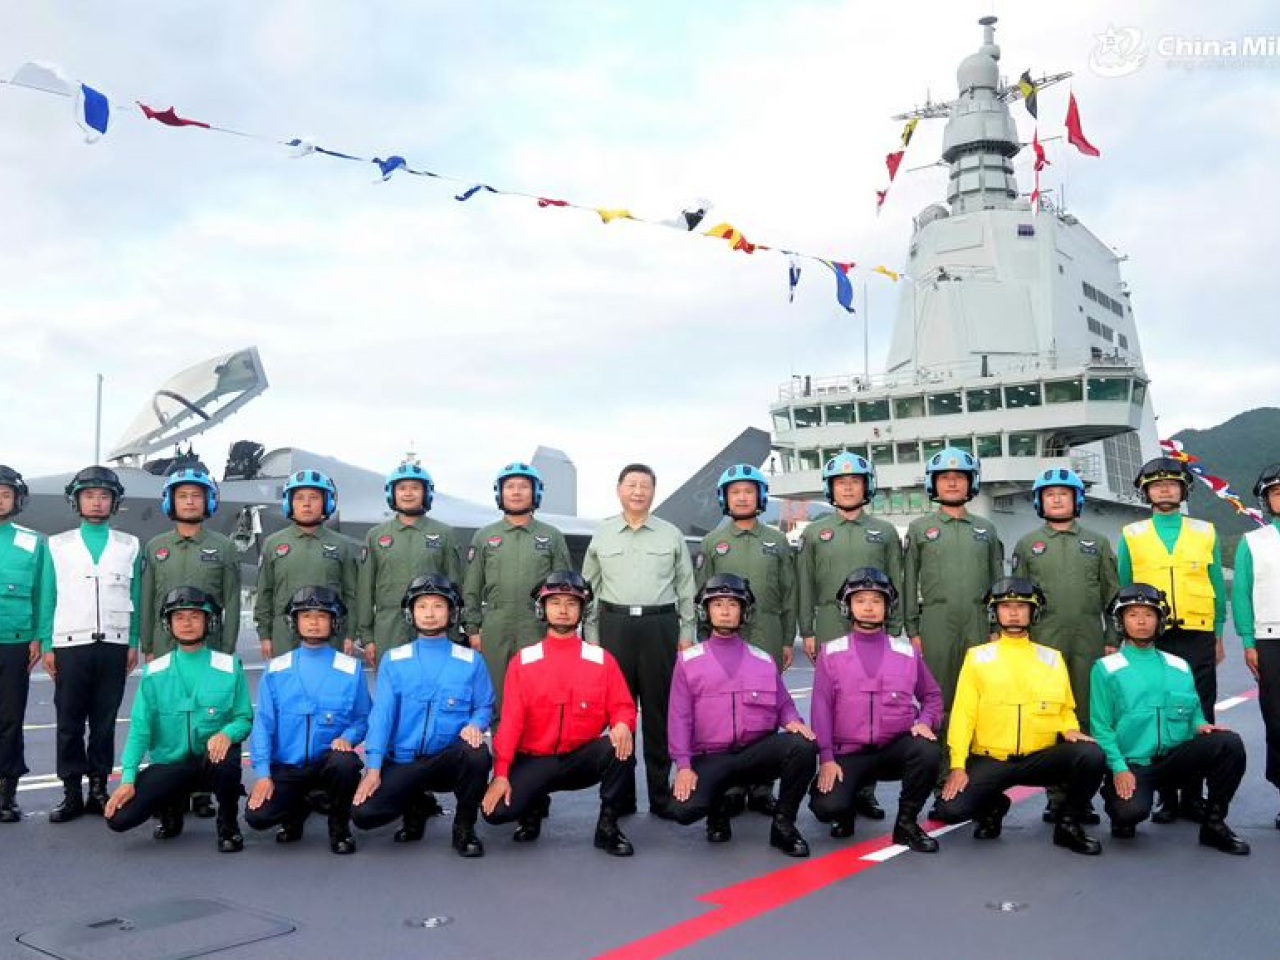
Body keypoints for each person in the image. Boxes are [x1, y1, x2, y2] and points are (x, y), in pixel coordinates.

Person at [932, 578, 1105, 855]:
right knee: (951, 809)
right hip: (992, 759)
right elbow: (963, 714)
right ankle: (994, 806)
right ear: (994, 613)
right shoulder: (977, 657)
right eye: (1006, 606)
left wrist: (1069, 728)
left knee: (1092, 755)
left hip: (1040, 757)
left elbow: (1064, 708)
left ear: (1033, 613)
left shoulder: (1051, 658)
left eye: (1021, 607)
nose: (1013, 612)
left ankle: (1068, 825)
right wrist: (957, 765)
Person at [481, 571, 637, 856]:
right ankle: (533, 805)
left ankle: (608, 826)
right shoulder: (523, 662)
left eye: (571, 603)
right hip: (534, 759)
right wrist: (501, 773)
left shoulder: (601, 659)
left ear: (582, 610)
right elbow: (511, 722)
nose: (563, 610)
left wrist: (623, 725)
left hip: (580, 758)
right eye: (555, 603)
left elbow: (623, 707)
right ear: (542, 609)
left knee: (621, 747)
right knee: (495, 815)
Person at [667, 574, 818, 857]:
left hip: (754, 753)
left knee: (803, 746)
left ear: (744, 612)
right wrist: (684, 765)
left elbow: (783, 703)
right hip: (711, 756)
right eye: (718, 604)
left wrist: (793, 721)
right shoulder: (687, 662)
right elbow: (679, 718)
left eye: (733, 605)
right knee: (681, 810)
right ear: (706, 611)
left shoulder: (762, 659)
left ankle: (784, 827)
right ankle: (717, 809)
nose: (725, 611)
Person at [1091, 584, 1249, 854]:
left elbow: (1194, 712)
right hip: (1134, 765)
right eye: (1133, 615)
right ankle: (1118, 801)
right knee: (1129, 814)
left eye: (1149, 615)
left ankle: (1214, 824)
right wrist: (1118, 768)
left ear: (1159, 620)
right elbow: (1101, 727)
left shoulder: (1179, 665)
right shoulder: (1106, 669)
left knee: (1229, 744)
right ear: (1121, 621)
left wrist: (1202, 726)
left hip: (1174, 760)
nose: (1141, 621)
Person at [582, 463, 697, 817]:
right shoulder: (602, 534)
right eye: (631, 485)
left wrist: (687, 633)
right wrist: (592, 638)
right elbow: (590, 588)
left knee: (659, 713)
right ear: (619, 490)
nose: (637, 491)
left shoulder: (670, 534)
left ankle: (660, 795)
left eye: (644, 486)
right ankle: (622, 796)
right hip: (614, 625)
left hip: (659, 625)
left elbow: (685, 586)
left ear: (653, 491)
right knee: (619, 714)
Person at [352, 575, 493, 857]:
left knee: (478, 754)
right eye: (422, 606)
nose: (429, 614)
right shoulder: (393, 660)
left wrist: (476, 724)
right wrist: (374, 767)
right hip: (403, 760)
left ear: (451, 613)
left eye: (438, 606)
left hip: (447, 760)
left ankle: (464, 827)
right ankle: (415, 806)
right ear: (410, 613)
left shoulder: (470, 661)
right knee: (364, 815)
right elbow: (382, 716)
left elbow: (484, 705)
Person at [796, 451, 903, 820]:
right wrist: (807, 630)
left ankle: (864, 788)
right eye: (840, 483)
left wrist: (895, 627)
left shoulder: (885, 532)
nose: (847, 487)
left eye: (854, 481)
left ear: (866, 487)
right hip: (830, 621)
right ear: (831, 489)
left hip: (874, 624)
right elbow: (804, 584)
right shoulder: (815, 532)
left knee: (869, 702)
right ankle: (836, 774)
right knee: (833, 702)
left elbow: (897, 581)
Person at [103, 587, 252, 853]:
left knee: (227, 760)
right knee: (119, 819)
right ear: (168, 623)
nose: (186, 623)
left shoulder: (230, 667)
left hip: (211, 761)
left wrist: (227, 733)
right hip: (171, 765)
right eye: (179, 616)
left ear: (209, 622)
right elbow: (139, 731)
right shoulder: (153, 674)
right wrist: (127, 780)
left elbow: (243, 718)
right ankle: (170, 808)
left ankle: (228, 825)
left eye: (195, 616)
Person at [1118, 456, 1226, 822]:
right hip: (1154, 635)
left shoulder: (1205, 531)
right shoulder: (1132, 535)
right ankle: (1168, 796)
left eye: (1172, 483)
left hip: (1197, 632)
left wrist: (1218, 633)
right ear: (1145, 491)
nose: (1165, 488)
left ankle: (1194, 795)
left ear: (1183, 489)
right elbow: (1125, 588)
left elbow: (1215, 587)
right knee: (1158, 711)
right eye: (1157, 484)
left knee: (1200, 710)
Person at [808, 568, 943, 852]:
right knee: (827, 807)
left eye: (876, 601)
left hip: (893, 749)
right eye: (860, 600)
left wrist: (926, 721)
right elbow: (821, 708)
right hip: (849, 753)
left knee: (928, 749)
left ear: (887, 607)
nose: (868, 607)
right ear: (848, 606)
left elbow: (932, 696)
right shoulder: (830, 654)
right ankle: (847, 806)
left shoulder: (906, 653)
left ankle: (906, 825)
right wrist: (827, 758)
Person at [1011, 467, 1118, 824]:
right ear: (1040, 501)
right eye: (1050, 494)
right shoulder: (1028, 545)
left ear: (1077, 499)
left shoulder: (1097, 543)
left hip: (1089, 639)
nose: (1057, 499)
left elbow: (1111, 594)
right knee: (1049, 714)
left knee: (1086, 713)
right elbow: (1017, 598)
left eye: (1064, 493)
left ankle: (1082, 796)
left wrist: (1112, 638)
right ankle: (1056, 796)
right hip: (1044, 641)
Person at [37, 465, 142, 822]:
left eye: (104, 496)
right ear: (77, 500)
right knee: (68, 722)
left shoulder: (129, 544)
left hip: (113, 644)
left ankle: (98, 789)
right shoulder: (58, 544)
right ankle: (70, 793)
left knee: (104, 721)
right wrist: (47, 645)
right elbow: (48, 597)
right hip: (69, 644)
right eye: (89, 496)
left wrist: (133, 640)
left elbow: (135, 594)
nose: (96, 502)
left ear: (114, 502)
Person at [695, 463, 797, 815]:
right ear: (725, 498)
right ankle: (732, 785)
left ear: (760, 497)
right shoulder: (712, 543)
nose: (742, 497)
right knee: (727, 708)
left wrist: (787, 639)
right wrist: (703, 638)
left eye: (749, 491)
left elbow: (789, 593)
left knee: (765, 708)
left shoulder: (777, 541)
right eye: (735, 491)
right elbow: (700, 596)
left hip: (766, 629)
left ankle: (762, 786)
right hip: (723, 635)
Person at [139, 465, 241, 819]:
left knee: (208, 719)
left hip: (209, 649)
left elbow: (231, 601)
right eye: (182, 495)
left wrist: (227, 650)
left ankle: (203, 791)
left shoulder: (224, 547)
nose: (190, 501)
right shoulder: (155, 548)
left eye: (197, 495)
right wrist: (147, 645)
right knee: (168, 720)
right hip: (167, 650)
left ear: (209, 501)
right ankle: (173, 790)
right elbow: (148, 600)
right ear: (170, 501)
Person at [246, 586, 370, 855]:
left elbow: (363, 718)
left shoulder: (351, 669)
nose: (314, 622)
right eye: (306, 616)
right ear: (295, 622)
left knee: (346, 764)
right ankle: (297, 807)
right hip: (287, 766)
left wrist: (347, 738)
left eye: (322, 616)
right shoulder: (276, 669)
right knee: (257, 818)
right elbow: (263, 726)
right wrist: (264, 775)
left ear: (333, 622)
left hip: (327, 763)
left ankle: (339, 828)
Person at [903, 448, 1004, 720]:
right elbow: (909, 581)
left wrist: (997, 627)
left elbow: (999, 582)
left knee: (982, 690)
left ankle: (976, 755)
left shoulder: (986, 529)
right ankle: (938, 756)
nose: (951, 483)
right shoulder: (919, 528)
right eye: (944, 477)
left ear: (971, 482)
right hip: (936, 622)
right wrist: (912, 629)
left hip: (979, 620)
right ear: (933, 483)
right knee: (937, 693)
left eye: (959, 477)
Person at [462, 462, 571, 711]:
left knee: (539, 691)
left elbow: (564, 588)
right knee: (495, 694)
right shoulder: (484, 536)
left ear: (535, 492)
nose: (516, 491)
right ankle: (502, 747)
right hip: (495, 626)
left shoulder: (552, 536)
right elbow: (472, 586)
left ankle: (537, 748)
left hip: (537, 625)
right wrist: (473, 629)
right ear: (500, 493)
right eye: (509, 486)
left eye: (524, 486)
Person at [357, 462, 463, 667]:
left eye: (415, 488)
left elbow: (455, 586)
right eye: (402, 488)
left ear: (426, 493)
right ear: (392, 493)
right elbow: (365, 590)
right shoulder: (376, 536)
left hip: (433, 626)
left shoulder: (445, 534)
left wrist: (452, 630)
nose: (408, 493)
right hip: (388, 628)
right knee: (392, 685)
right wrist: (368, 637)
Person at [254, 469, 359, 658]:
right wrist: (265, 635)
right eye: (300, 498)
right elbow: (265, 593)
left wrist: (351, 634)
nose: (307, 503)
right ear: (289, 503)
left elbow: (352, 595)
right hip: (284, 637)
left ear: (326, 503)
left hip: (331, 635)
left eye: (314, 497)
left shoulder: (342, 545)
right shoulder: (273, 544)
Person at [1232, 463, 1280, 829]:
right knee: (1277, 721)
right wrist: (1248, 642)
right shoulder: (1253, 542)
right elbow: (1242, 595)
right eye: (1276, 492)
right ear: (1266, 501)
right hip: (1270, 638)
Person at [0, 465, 46, 823]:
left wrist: (39, 638)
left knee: (11, 720)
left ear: (17, 499)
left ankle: (6, 793)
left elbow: (45, 596)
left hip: (15, 644)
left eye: (5, 493)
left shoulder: (33, 542)